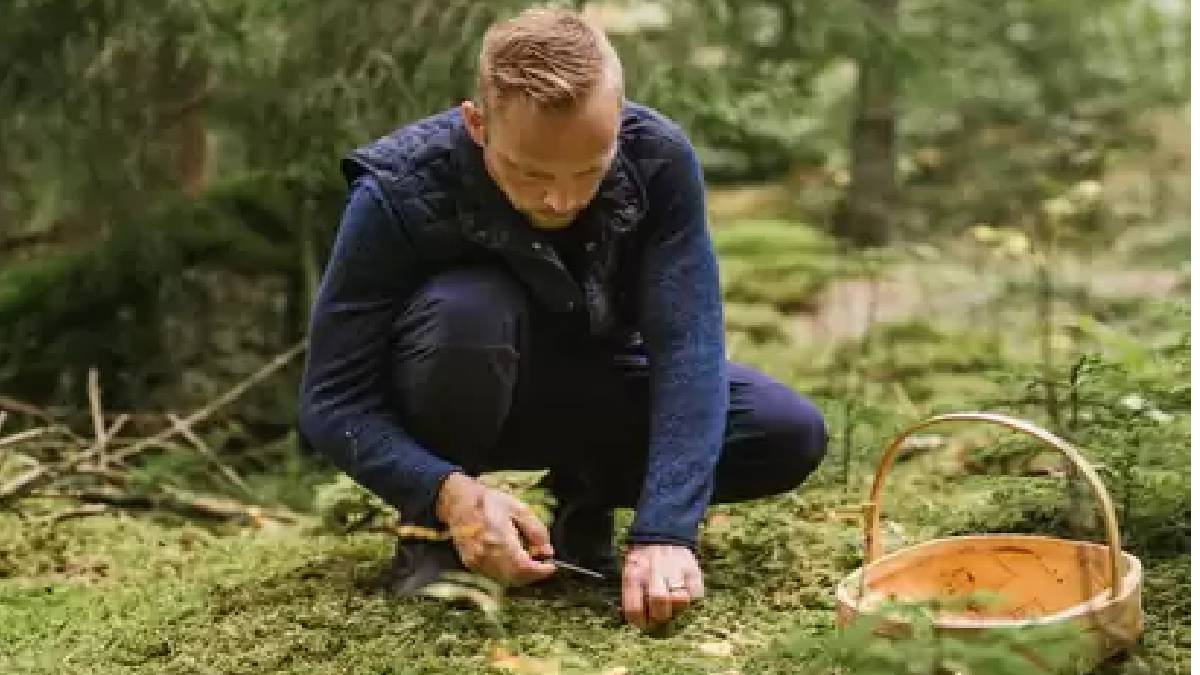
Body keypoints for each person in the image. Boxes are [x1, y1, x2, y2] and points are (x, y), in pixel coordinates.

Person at [298, 7, 827, 630]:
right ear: (477, 124)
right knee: (469, 311)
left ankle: (578, 500)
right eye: (530, 172)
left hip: (594, 383)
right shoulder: (397, 191)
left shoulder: (657, 160)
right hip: (454, 383)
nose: (561, 199)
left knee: (786, 431)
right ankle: (435, 539)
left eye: (588, 172)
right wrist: (446, 492)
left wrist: (667, 531)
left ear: (620, 126)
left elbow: (688, 349)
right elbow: (332, 401)